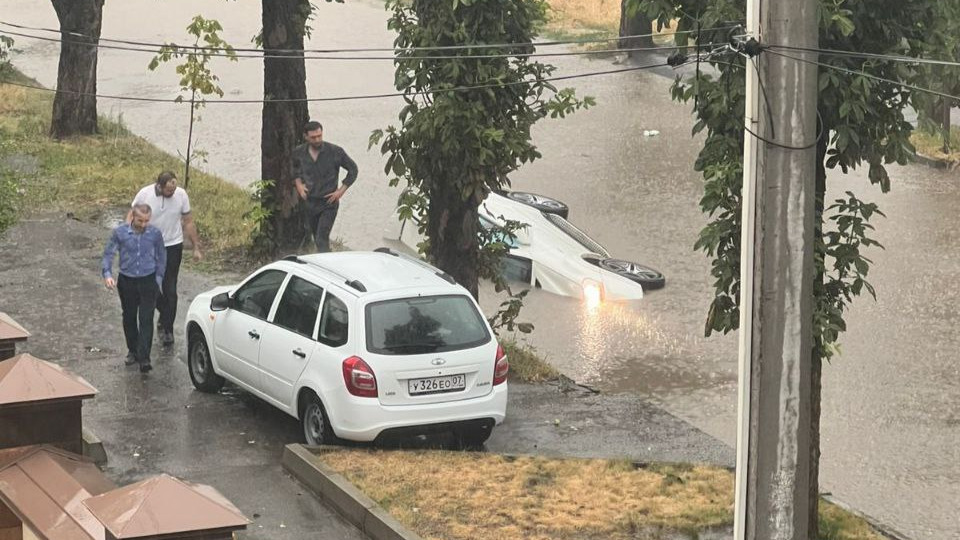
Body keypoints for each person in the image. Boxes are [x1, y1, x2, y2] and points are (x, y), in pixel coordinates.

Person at [129, 171, 202, 346]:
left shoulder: (181, 195)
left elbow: (188, 221)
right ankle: (164, 309)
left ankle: (167, 327)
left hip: (172, 246)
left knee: (170, 289)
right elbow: (132, 216)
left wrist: (196, 247)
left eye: (174, 188)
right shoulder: (145, 194)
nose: (172, 193)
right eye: (168, 190)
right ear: (159, 186)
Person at [102, 204, 167, 373]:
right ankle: (133, 350)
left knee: (146, 318)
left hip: (148, 280)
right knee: (129, 316)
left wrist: (158, 279)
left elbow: (161, 256)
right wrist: (107, 273)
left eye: (147, 221)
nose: (144, 224)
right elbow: (109, 253)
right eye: (140, 220)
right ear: (133, 217)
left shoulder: (155, 234)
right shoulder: (120, 233)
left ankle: (144, 357)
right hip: (127, 280)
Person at [292, 121, 358, 252]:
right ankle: (321, 260)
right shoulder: (299, 152)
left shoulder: (335, 151)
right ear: (306, 137)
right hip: (309, 202)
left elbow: (353, 170)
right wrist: (299, 186)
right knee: (315, 238)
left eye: (319, 136)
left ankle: (327, 266)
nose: (317, 140)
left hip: (329, 202)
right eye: (313, 137)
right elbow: (293, 170)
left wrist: (340, 191)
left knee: (322, 238)